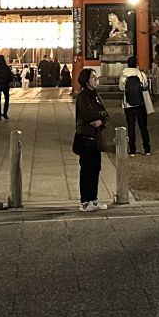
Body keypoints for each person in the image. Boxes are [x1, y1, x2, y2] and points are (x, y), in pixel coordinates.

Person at [73, 67, 110, 212]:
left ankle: (94, 199)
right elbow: (88, 115)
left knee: (95, 169)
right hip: (86, 137)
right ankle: (85, 201)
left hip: (96, 137)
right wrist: (100, 115)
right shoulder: (83, 96)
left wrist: (101, 118)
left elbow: (106, 113)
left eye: (96, 77)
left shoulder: (95, 95)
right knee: (86, 170)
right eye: (93, 77)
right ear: (86, 80)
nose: (96, 79)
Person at [120, 58, 154, 156]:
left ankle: (132, 150)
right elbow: (145, 86)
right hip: (140, 103)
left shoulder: (124, 75)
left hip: (128, 104)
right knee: (143, 127)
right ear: (136, 64)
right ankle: (147, 149)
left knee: (131, 127)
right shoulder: (141, 74)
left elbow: (121, 88)